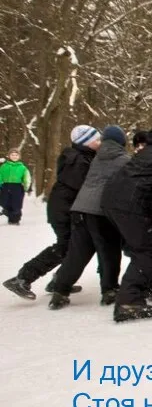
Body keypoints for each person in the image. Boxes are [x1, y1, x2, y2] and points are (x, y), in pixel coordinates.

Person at [3, 126, 100, 300]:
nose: (100, 143)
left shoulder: (82, 156)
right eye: (96, 140)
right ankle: (23, 278)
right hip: (63, 209)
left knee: (71, 247)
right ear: (85, 142)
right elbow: (83, 185)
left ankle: (59, 279)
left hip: (65, 207)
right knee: (66, 246)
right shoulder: (76, 159)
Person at [102, 113, 152, 322]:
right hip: (132, 202)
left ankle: (147, 288)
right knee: (148, 251)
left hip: (114, 198)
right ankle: (128, 302)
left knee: (145, 246)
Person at [48, 126, 130, 309]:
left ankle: (60, 291)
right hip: (101, 212)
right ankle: (109, 290)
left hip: (79, 209)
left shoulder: (95, 158)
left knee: (77, 253)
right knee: (109, 251)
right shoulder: (124, 160)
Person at [0, 148, 32, 225]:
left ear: (19, 157)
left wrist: (27, 187)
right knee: (5, 203)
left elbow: (27, 177)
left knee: (16, 204)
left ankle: (15, 220)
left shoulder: (22, 167)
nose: (14, 156)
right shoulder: (4, 166)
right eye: (12, 155)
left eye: (16, 155)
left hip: (17, 187)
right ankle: (8, 214)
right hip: (5, 186)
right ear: (9, 156)